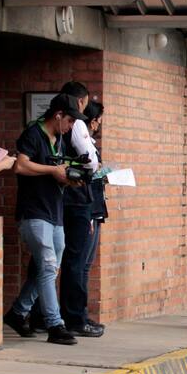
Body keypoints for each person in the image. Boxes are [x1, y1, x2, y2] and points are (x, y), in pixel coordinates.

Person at [3, 93, 87, 346]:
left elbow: (56, 172)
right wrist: (53, 170)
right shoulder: (32, 134)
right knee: (49, 266)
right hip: (34, 212)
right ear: (58, 115)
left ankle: (18, 313)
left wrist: (69, 178)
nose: (71, 127)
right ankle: (55, 324)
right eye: (70, 121)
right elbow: (20, 166)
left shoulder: (59, 139)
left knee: (48, 268)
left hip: (55, 212)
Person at [57, 82, 104, 337]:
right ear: (82, 101)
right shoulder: (77, 124)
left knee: (63, 260)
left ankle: (52, 314)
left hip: (65, 198)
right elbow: (91, 161)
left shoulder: (55, 126)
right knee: (76, 259)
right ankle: (75, 317)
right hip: (76, 199)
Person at [84, 101, 107, 332]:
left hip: (96, 208)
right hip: (88, 208)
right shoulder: (81, 143)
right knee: (81, 265)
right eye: (99, 120)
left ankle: (82, 313)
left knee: (87, 264)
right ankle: (78, 315)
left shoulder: (90, 143)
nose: (99, 125)